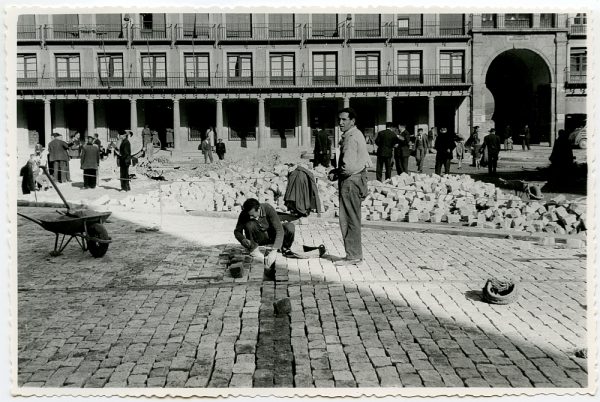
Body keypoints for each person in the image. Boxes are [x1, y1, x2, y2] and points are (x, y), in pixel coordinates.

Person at [334, 108, 371, 266]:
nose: (340, 123)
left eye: (344, 120)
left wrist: (337, 172)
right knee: (353, 218)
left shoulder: (350, 137)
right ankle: (354, 254)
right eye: (339, 119)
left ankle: (353, 256)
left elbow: (348, 167)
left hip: (350, 181)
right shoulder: (357, 134)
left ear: (352, 121)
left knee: (349, 219)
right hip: (357, 179)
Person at [234, 198, 295, 278]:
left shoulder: (268, 208)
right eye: (249, 215)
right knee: (249, 224)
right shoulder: (244, 214)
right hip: (259, 238)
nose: (251, 217)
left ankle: (285, 248)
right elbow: (237, 231)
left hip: (271, 235)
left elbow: (279, 230)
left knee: (290, 227)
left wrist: (274, 250)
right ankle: (254, 249)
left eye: (252, 215)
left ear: (259, 209)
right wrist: (243, 239)